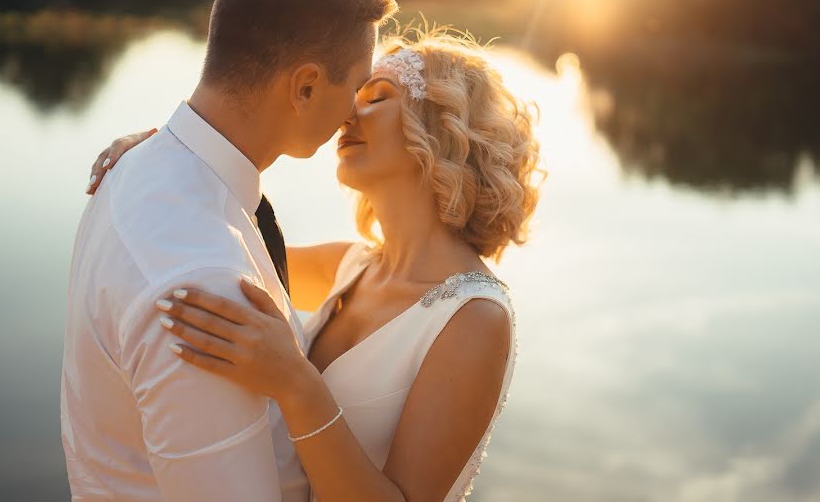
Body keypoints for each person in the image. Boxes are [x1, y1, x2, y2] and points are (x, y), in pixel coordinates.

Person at [87, 28, 543, 500]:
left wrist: (295, 385)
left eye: (377, 98)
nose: (348, 113)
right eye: (353, 96)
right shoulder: (350, 267)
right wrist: (166, 156)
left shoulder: (475, 318)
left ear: (441, 130)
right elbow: (220, 241)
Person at [62, 0, 397, 502]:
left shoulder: (150, 170)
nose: (353, 115)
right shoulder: (205, 293)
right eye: (356, 88)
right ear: (306, 87)